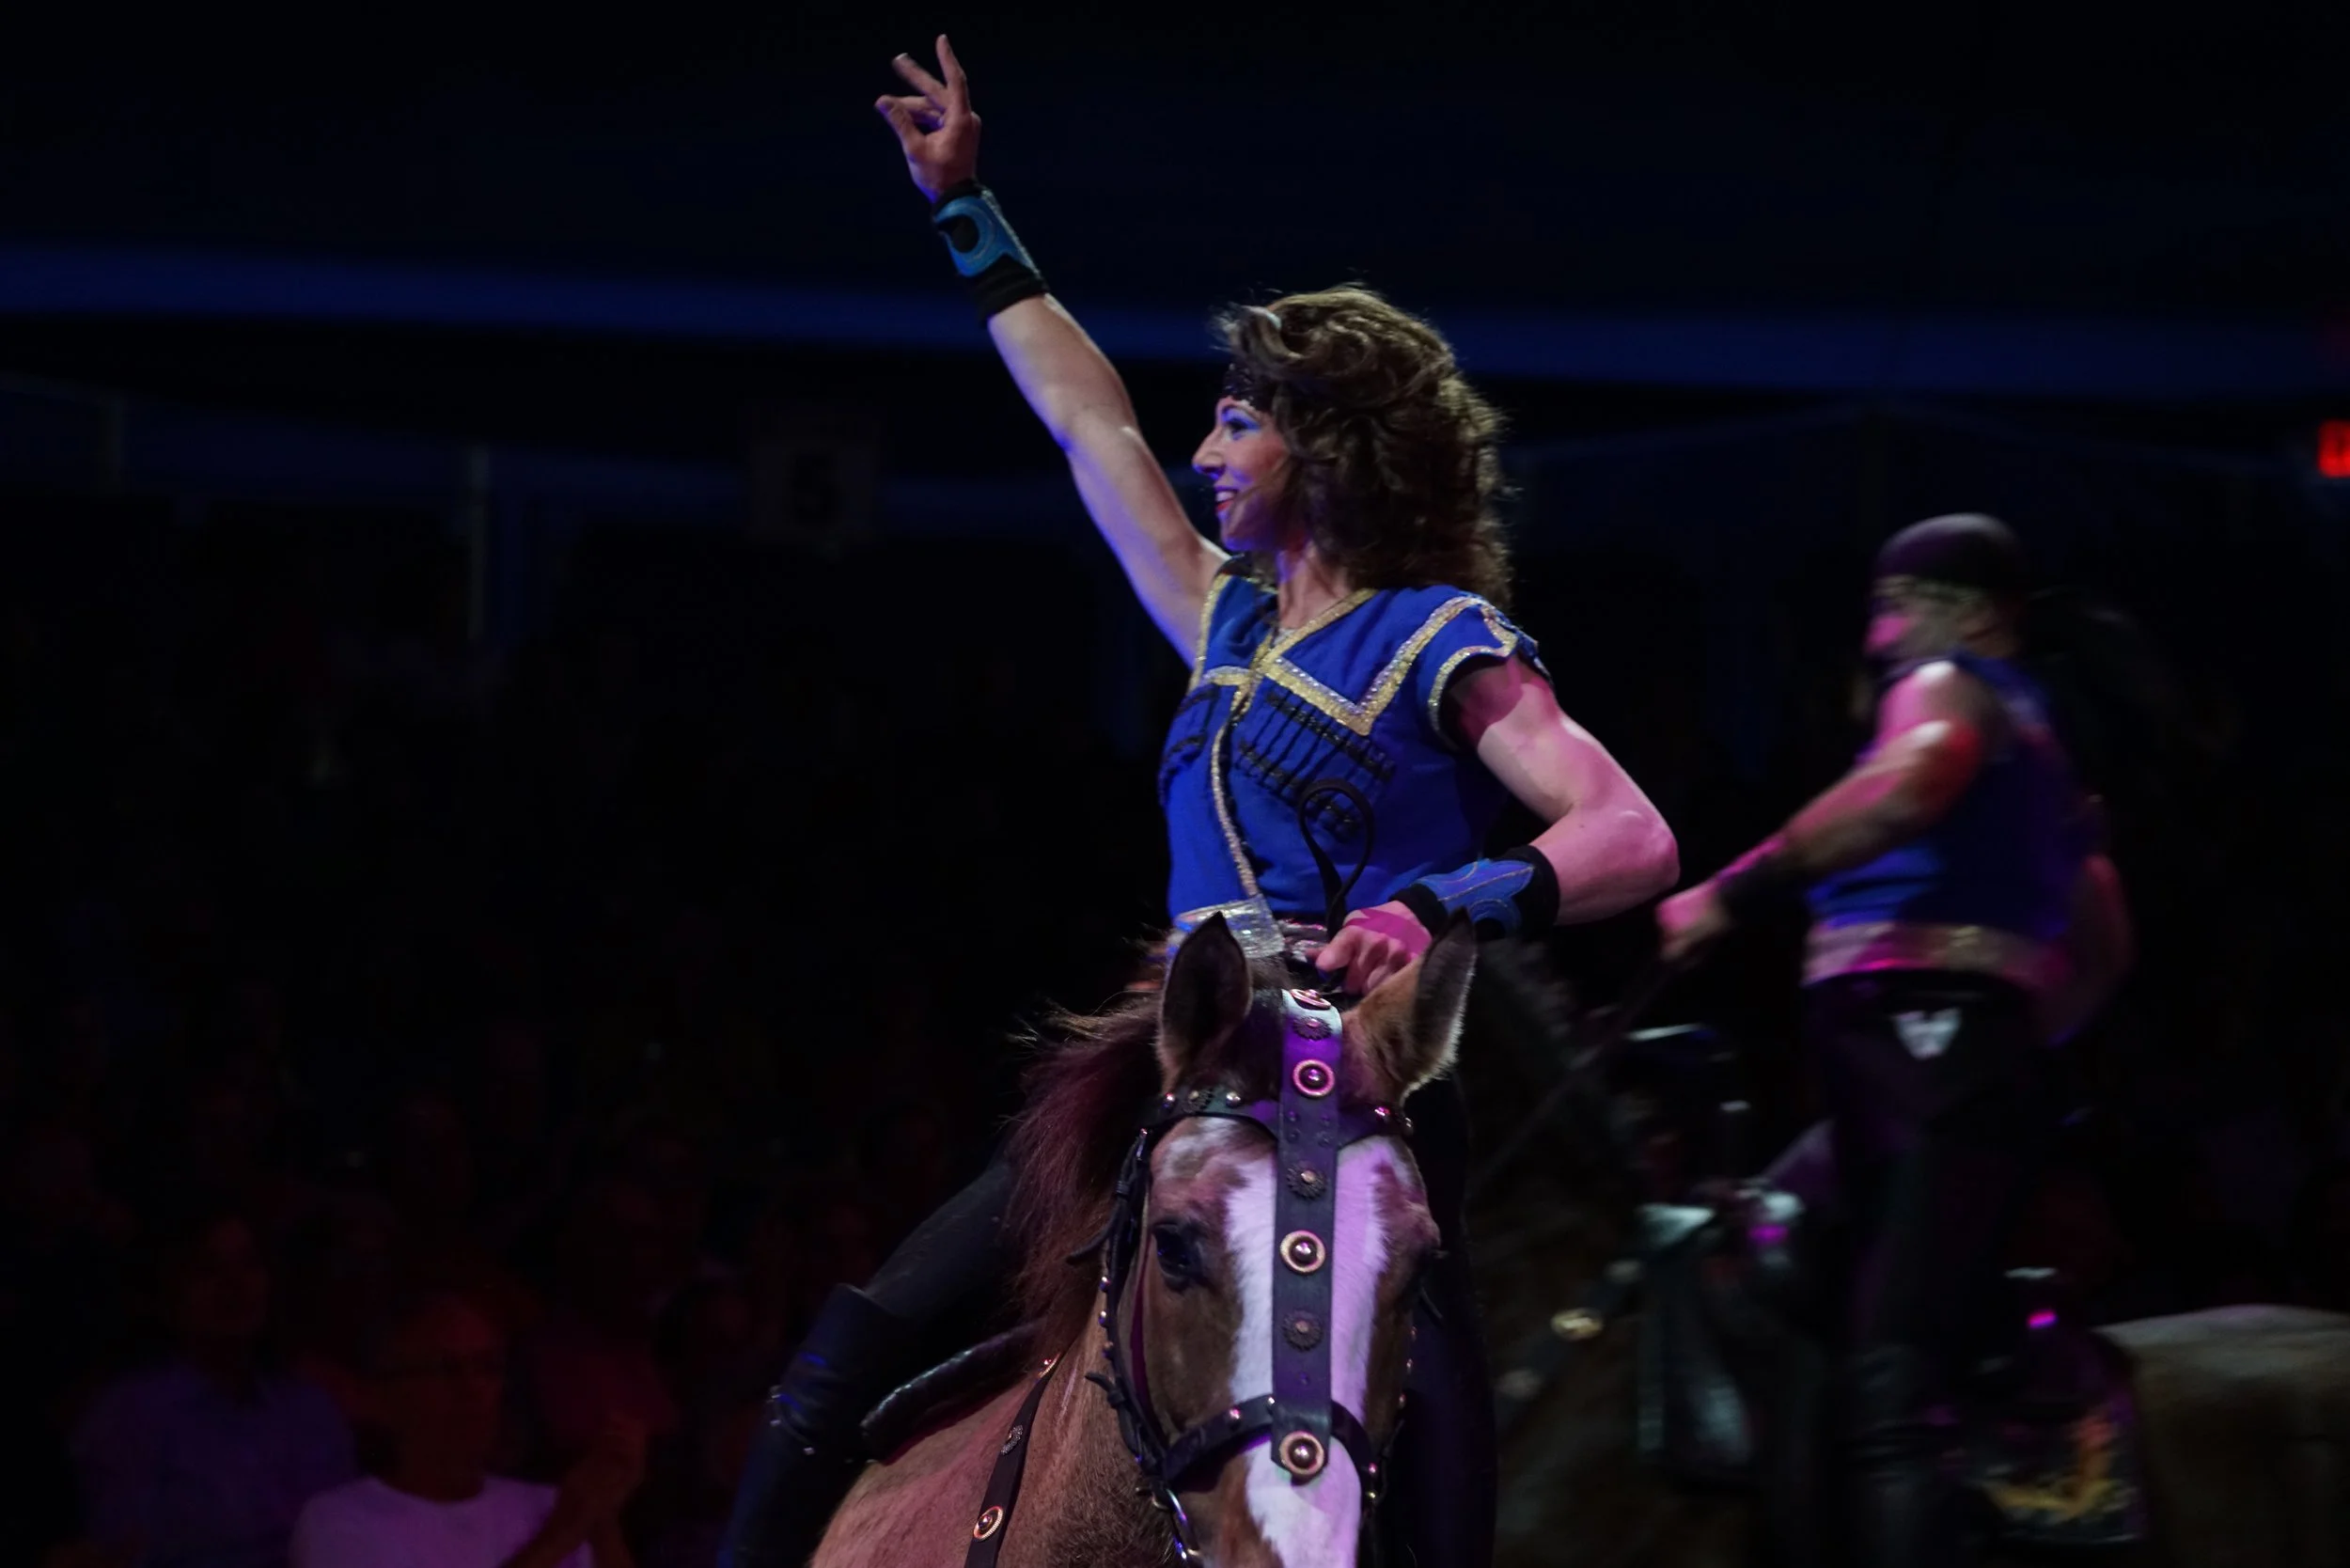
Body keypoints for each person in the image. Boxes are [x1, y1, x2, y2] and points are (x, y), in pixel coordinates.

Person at [718, 37, 1679, 1568]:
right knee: (866, 1328)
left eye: (1239, 419)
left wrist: (1438, 904)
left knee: (1434, 1463)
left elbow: (1627, 832)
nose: (1203, 446)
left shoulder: (1440, 639)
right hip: (1180, 1052)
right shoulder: (1225, 617)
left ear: (1329, 449)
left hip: (1343, 1088)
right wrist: (969, 210)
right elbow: (1085, 421)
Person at [1656, 513, 2133, 1568]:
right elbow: (2103, 944)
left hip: (1932, 1064)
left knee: (1889, 1374)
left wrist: (1734, 894)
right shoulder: (2050, 763)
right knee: (1755, 1259)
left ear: (1965, 612)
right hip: (1924, 1074)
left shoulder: (1952, 687)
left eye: (1890, 608)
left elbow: (1913, 778)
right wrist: (2010, 1044)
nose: (1878, 639)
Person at [70, 1212, 356, 1568]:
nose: (234, 1285)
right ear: (169, 1287)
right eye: (207, 1269)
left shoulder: (310, 1410)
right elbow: (123, 1550)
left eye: (249, 1264)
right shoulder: (130, 1415)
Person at [290, 1291, 641, 1568]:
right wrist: (562, 1532)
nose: (473, 1388)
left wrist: (602, 1519)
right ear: (383, 1397)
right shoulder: (340, 1522)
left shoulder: (547, 1504)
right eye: (447, 1369)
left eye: (487, 1367)